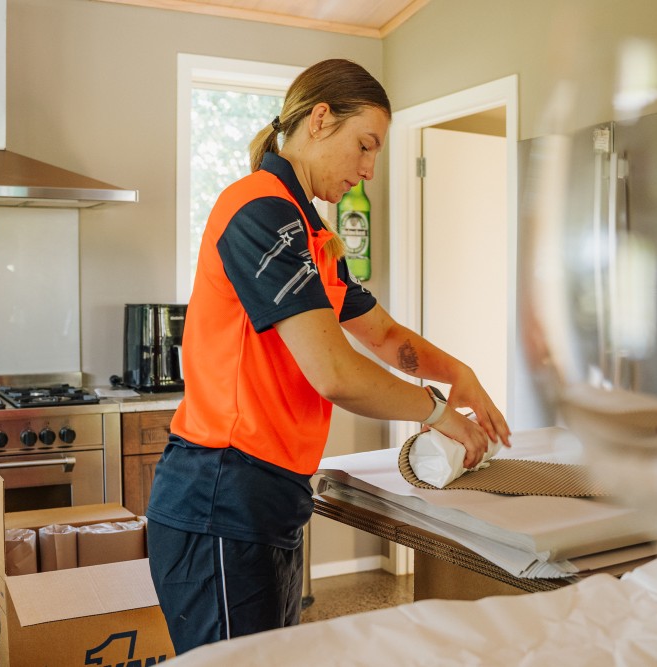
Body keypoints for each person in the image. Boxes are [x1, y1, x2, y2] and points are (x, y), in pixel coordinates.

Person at [145, 58, 511, 654]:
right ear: (320, 120)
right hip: (220, 497)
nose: (367, 171)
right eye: (364, 146)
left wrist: (460, 373)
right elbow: (334, 372)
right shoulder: (258, 210)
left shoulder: (311, 232)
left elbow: (384, 335)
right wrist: (438, 411)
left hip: (269, 501)